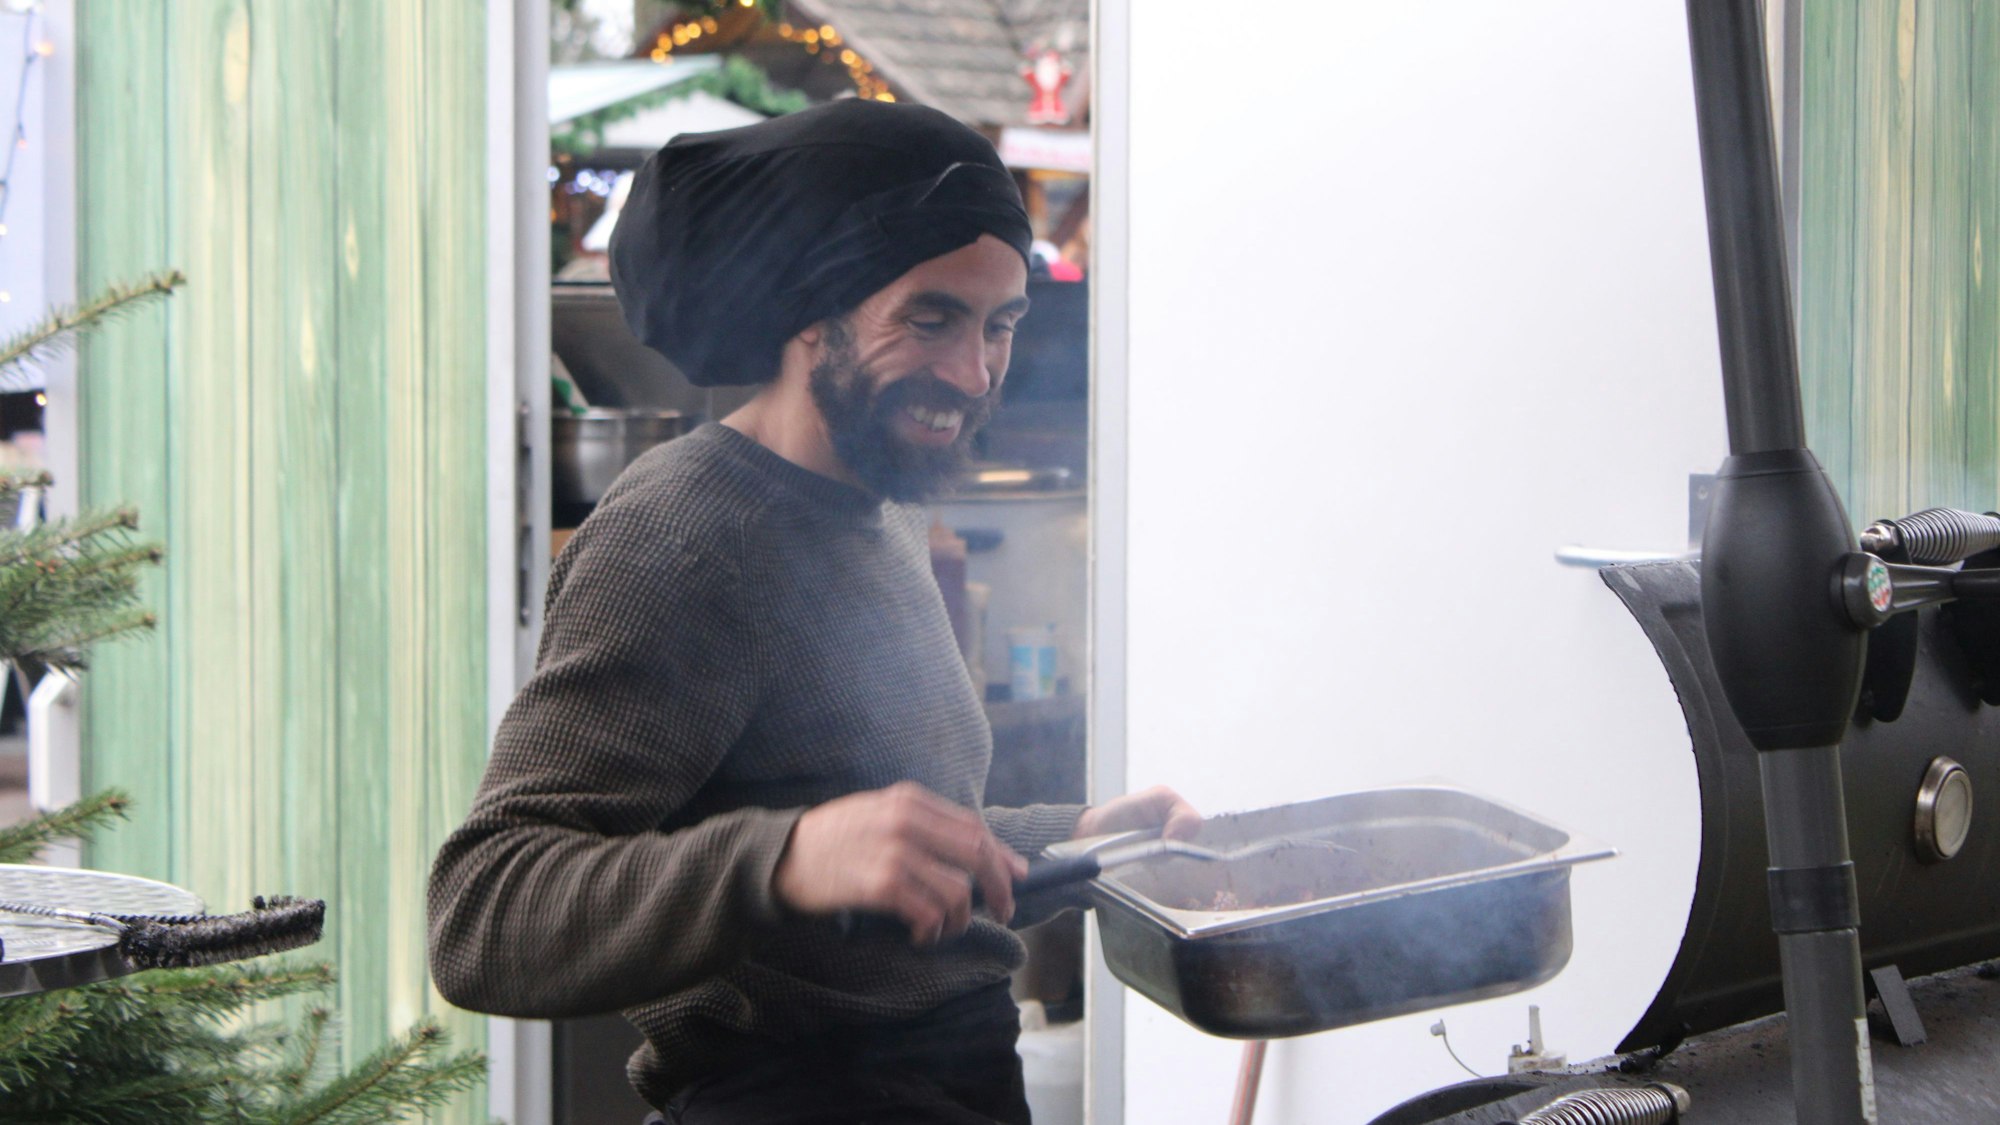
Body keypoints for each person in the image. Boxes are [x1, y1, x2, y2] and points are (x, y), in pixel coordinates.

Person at [426, 100, 1198, 1124]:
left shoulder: (877, 508)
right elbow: (485, 914)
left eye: (998, 325)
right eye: (930, 318)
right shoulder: (685, 536)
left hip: (951, 1088)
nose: (974, 375)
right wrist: (785, 860)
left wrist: (1077, 837)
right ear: (808, 310)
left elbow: (879, 830)